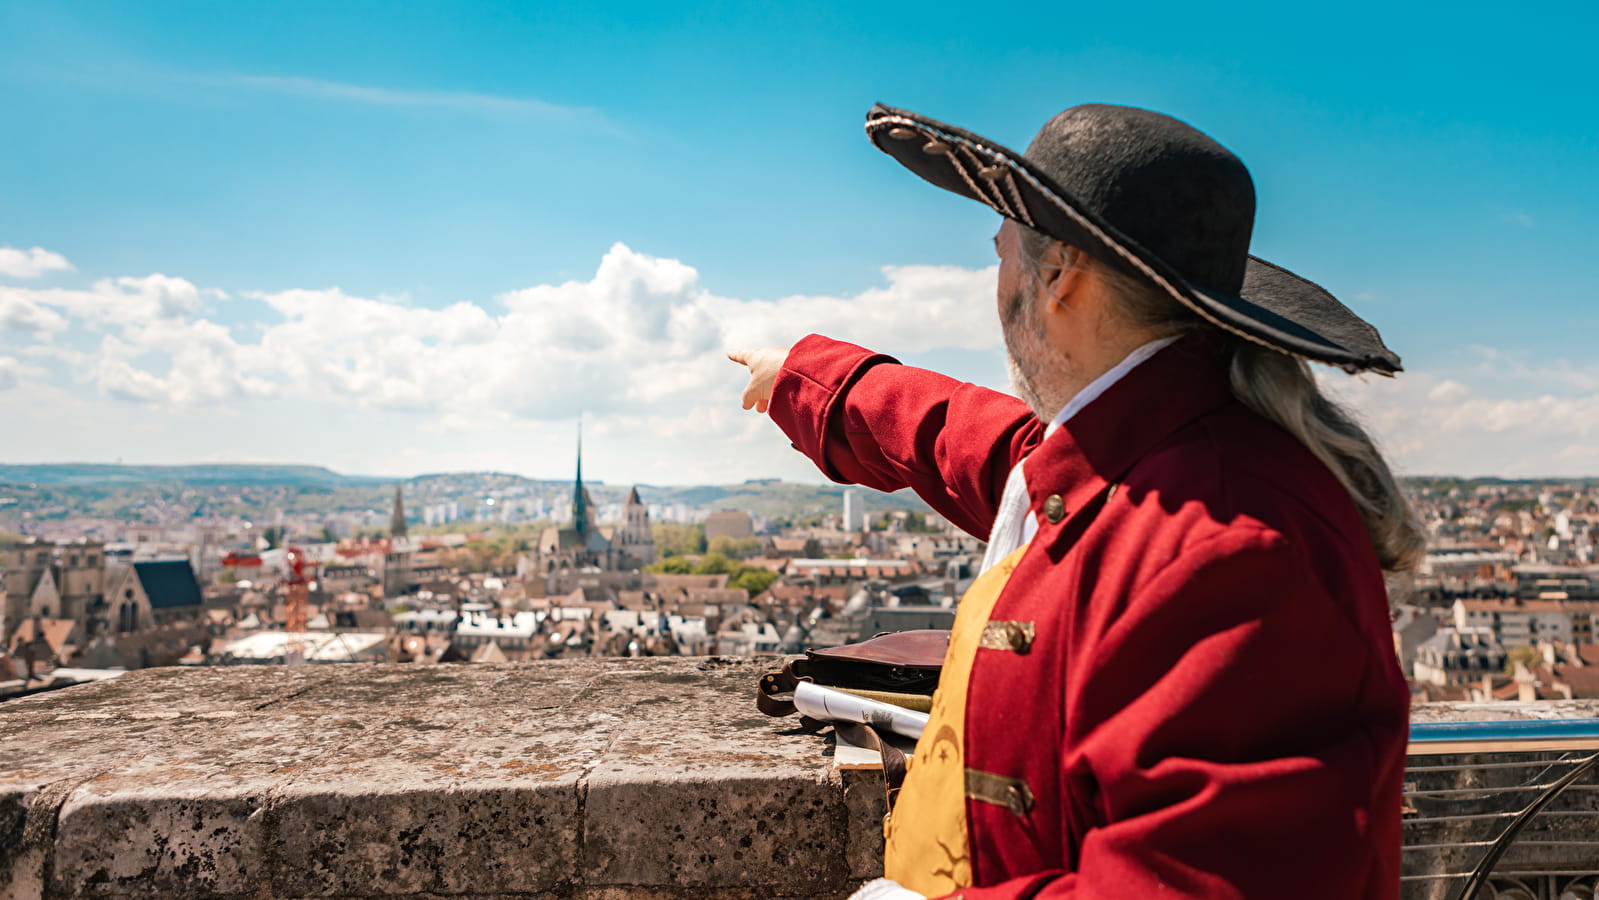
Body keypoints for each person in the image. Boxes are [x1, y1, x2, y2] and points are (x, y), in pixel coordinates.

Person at [728, 104, 1423, 899]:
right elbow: (983, 445)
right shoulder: (1157, 459)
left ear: (1058, 276)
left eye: (1001, 256)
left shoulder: (1234, 546)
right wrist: (811, 381)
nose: (995, 289)